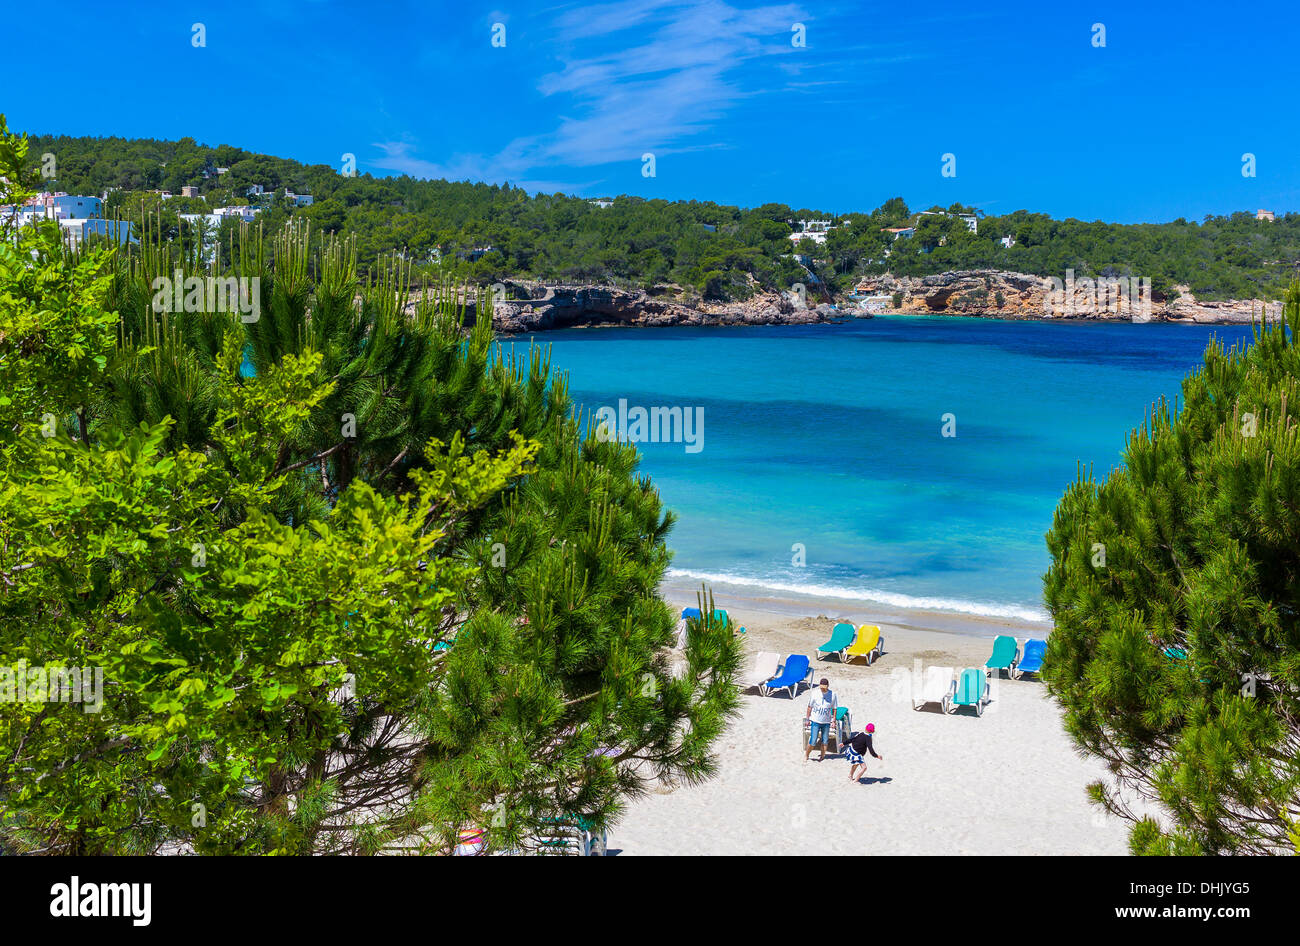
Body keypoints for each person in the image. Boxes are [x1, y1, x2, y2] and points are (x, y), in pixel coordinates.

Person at [804, 677, 837, 761]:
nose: (822, 689)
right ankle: (806, 755)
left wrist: (833, 720)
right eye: (821, 687)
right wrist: (807, 719)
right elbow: (809, 707)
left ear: (827, 686)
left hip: (826, 722)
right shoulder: (814, 693)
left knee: (825, 741)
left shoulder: (833, 695)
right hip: (815, 720)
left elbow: (835, 708)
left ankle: (822, 756)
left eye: (824, 688)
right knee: (813, 740)